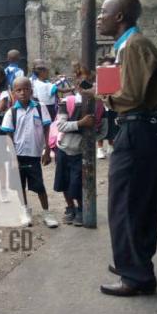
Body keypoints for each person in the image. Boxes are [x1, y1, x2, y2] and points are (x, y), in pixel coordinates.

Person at [94, 0, 157, 297]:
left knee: (125, 204)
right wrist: (100, 89)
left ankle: (136, 276)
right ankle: (134, 262)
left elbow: (132, 96)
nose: (99, 17)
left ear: (120, 16)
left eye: (104, 11)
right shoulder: (125, 46)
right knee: (140, 202)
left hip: (138, 129)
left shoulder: (134, 45)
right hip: (143, 128)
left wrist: (104, 96)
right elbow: (133, 89)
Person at [1, 77, 58, 229]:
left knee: (39, 185)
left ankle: (46, 212)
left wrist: (47, 150)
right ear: (13, 93)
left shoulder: (40, 107)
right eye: (18, 90)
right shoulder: (11, 112)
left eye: (26, 89)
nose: (22, 92)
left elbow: (47, 128)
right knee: (20, 185)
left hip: (34, 154)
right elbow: (8, 136)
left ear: (31, 91)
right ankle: (24, 210)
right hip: (17, 155)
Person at [53, 94, 107, 226]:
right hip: (63, 149)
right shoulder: (68, 102)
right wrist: (80, 123)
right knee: (63, 182)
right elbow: (60, 125)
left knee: (77, 184)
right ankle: (70, 208)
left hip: (81, 153)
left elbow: (104, 131)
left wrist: (89, 140)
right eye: (81, 76)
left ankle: (82, 209)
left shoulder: (99, 106)